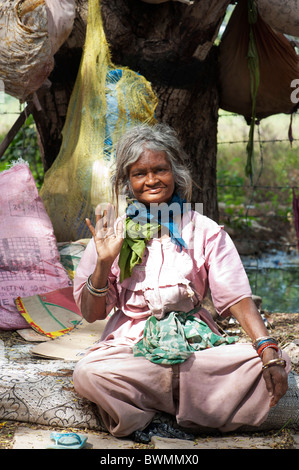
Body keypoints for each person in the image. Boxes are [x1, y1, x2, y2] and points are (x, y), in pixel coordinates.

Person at [73, 123, 290, 438]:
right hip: (132, 346)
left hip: (196, 346)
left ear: (175, 172)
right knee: (89, 373)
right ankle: (154, 420)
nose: (151, 180)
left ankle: (173, 410)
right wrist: (104, 263)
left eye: (159, 169)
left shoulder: (204, 230)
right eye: (139, 173)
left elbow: (237, 299)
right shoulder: (113, 234)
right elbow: (92, 314)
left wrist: (267, 347)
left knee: (262, 363)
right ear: (126, 181)